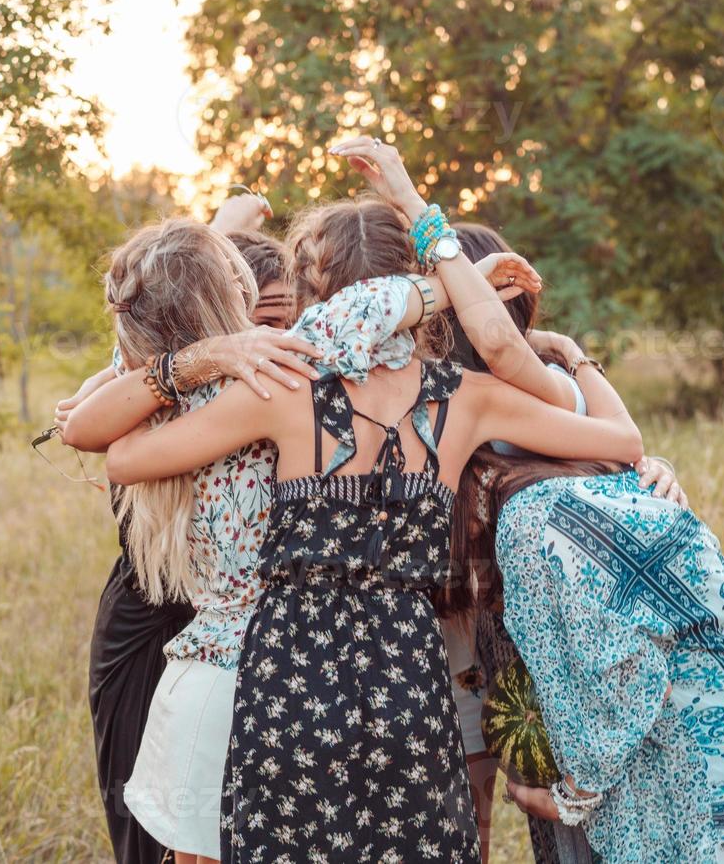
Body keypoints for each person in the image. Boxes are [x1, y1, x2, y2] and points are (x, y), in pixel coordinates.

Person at [102, 136, 646, 862]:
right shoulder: (471, 400)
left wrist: (194, 363)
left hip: (288, 675)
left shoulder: (283, 393)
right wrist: (569, 352)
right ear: (410, 287)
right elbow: (621, 443)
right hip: (405, 675)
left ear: (305, 296)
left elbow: (124, 454)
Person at [63, 201, 541, 863]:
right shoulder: (278, 374)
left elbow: (96, 431)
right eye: (243, 291)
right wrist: (457, 278)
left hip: (248, 674)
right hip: (276, 672)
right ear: (227, 302)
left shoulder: (217, 387)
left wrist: (202, 349)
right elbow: (359, 314)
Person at [444, 231, 724, 864]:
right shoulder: (578, 425)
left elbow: (622, 669)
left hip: (710, 751)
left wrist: (569, 796)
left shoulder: (531, 504)